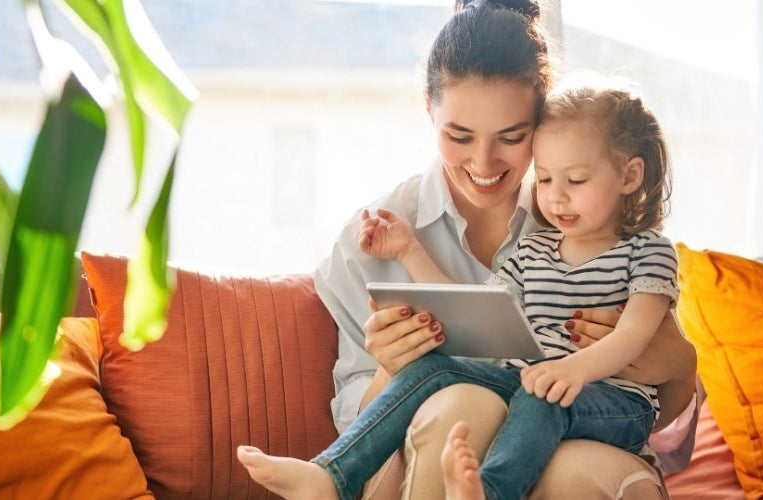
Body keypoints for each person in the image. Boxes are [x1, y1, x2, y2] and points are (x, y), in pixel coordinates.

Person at [237, 1, 698, 498]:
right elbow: (475, 316)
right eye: (459, 136)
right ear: (429, 109)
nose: (484, 162)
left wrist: (680, 367)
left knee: (567, 459)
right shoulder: (375, 239)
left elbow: (667, 432)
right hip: (430, 448)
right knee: (460, 402)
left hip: (581, 420)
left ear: (542, 121)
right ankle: (330, 475)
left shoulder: (591, 223)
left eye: (513, 137)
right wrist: (396, 355)